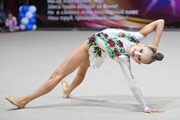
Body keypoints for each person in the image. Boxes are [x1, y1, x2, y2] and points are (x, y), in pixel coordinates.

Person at [5, 19, 165, 114]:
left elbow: (133, 84)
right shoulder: (136, 36)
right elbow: (160, 22)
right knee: (73, 73)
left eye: (139, 58)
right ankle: (67, 91)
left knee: (62, 74)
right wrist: (155, 45)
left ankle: (23, 101)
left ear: (137, 62)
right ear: (142, 44)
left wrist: (145, 107)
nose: (136, 54)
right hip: (93, 45)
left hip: (91, 46)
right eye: (141, 51)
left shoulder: (123, 58)